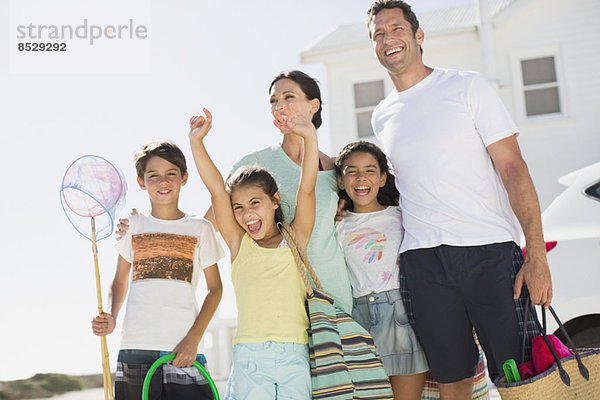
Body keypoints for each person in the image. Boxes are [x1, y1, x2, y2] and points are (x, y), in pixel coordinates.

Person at [365, 1, 553, 398]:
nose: (388, 39)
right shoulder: (382, 116)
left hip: (489, 254)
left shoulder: (467, 86)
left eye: (396, 29)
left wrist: (536, 254)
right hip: (423, 264)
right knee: (451, 381)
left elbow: (513, 169)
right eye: (378, 34)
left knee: (522, 378)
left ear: (418, 36)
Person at [117, 71, 353, 314]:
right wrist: (148, 223)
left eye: (288, 97)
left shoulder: (338, 168)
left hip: (333, 294)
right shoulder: (255, 162)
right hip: (283, 302)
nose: (280, 106)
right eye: (273, 101)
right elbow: (213, 217)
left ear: (314, 105)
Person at [187, 104, 318, 399]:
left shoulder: (295, 237)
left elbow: (307, 189)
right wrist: (197, 141)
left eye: (255, 203)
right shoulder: (238, 243)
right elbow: (217, 191)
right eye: (239, 208)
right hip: (250, 356)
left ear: (275, 201)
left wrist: (310, 139)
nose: (247, 215)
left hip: (295, 354)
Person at [91, 141, 224, 400]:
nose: (163, 181)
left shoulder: (200, 228)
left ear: (184, 178)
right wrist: (111, 316)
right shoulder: (132, 225)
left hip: (183, 349)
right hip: (135, 347)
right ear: (142, 182)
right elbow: (119, 282)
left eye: (171, 173)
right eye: (153, 175)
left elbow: (215, 289)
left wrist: (193, 339)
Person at [334, 141, 428, 400]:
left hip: (402, 317)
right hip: (359, 320)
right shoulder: (336, 225)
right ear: (341, 181)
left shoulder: (401, 215)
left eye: (370, 170)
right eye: (351, 171)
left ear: (383, 177)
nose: (361, 178)